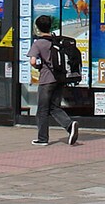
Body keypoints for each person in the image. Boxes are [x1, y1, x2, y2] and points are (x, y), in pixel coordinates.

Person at [27, 14, 79, 146]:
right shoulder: (56, 41)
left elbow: (33, 61)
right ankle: (69, 125)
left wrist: (38, 66)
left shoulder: (38, 43)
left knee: (42, 110)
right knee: (54, 107)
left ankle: (42, 138)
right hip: (60, 78)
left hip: (46, 80)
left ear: (38, 28)